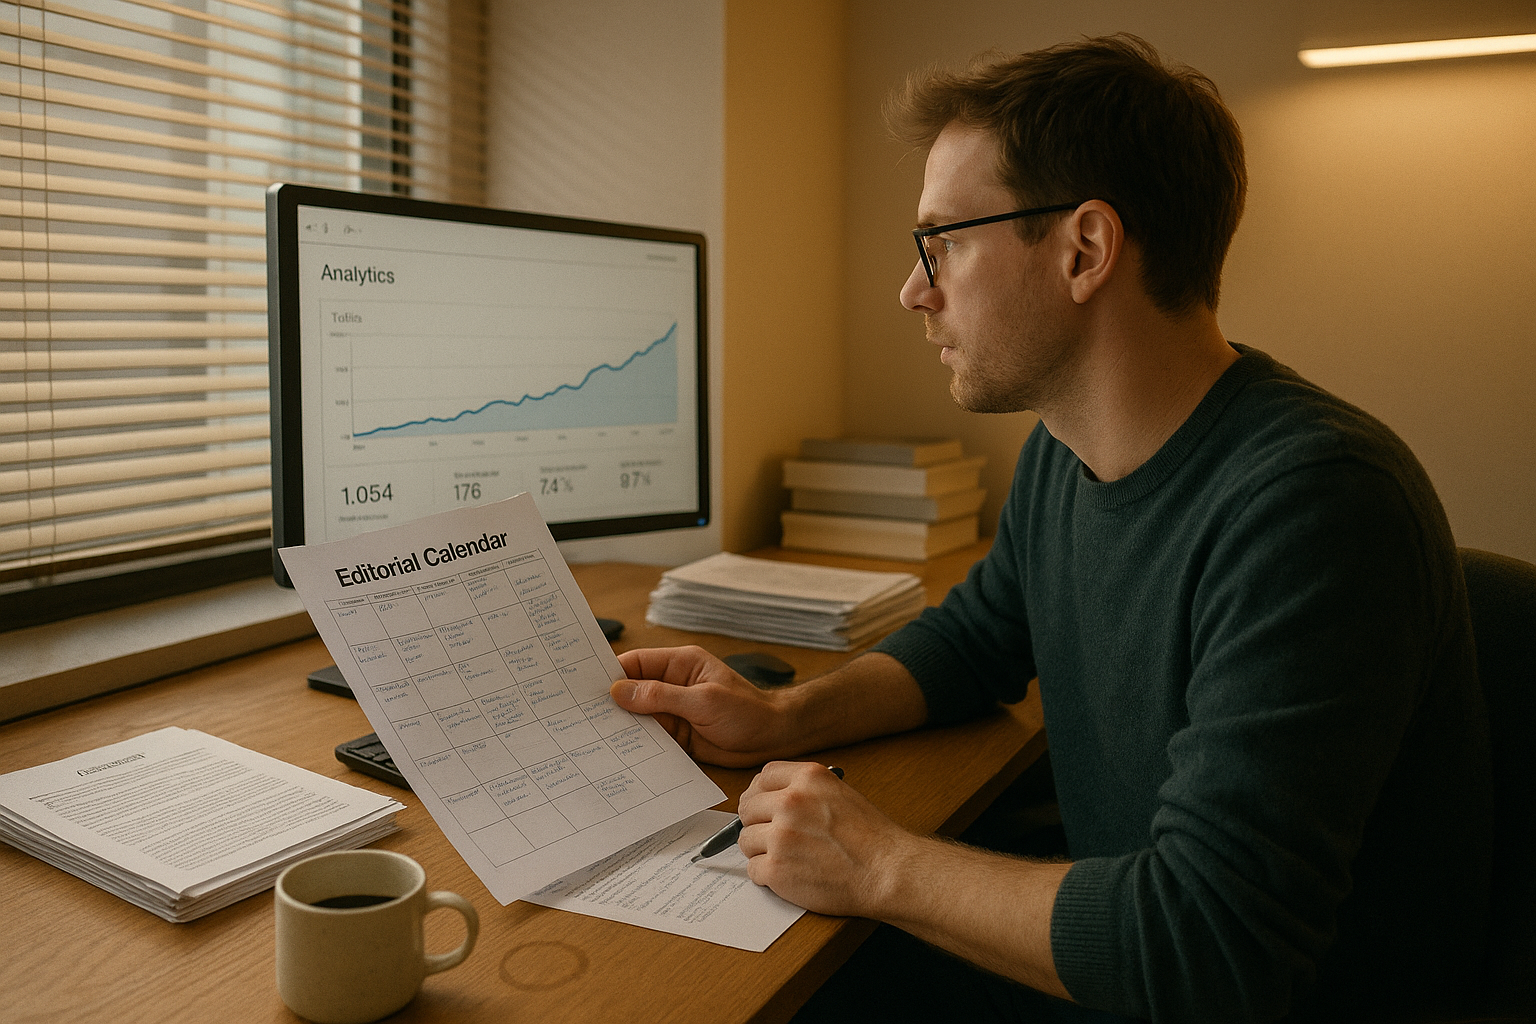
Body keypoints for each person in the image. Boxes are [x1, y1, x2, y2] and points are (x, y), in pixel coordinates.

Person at [610, 34, 1492, 1024]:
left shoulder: (1314, 506)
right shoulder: (1066, 456)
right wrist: (783, 718)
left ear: (1084, 250)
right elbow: (977, 640)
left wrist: (877, 862)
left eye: (940, 241)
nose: (915, 289)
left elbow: (1208, 948)